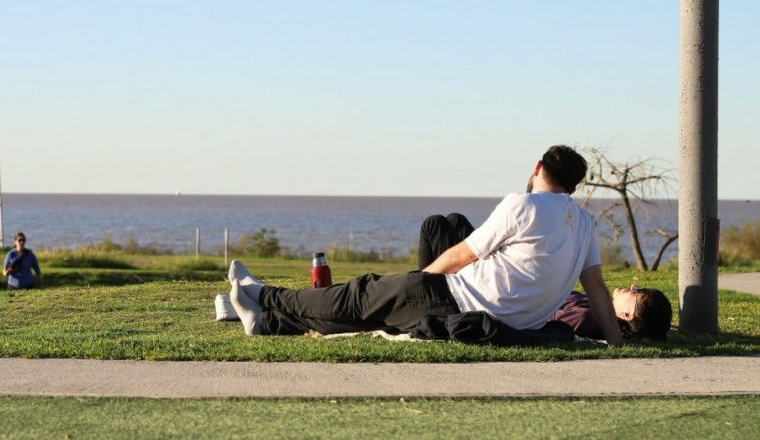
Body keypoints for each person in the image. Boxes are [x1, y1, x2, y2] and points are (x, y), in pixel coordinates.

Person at [228, 145, 625, 345]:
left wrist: (416, 281)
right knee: (370, 312)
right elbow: (596, 289)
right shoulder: (586, 223)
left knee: (358, 295)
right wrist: (616, 342)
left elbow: (461, 255)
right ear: (575, 186)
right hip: (501, 322)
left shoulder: (525, 203)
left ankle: (263, 293)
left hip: (457, 300)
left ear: (538, 169)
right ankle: (267, 322)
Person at [418, 212, 673, 341]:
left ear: (627, 315)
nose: (632, 285)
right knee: (455, 221)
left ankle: (419, 294)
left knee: (435, 225)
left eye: (637, 292)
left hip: (499, 295)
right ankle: (419, 289)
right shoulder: (596, 309)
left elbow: (541, 317)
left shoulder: (587, 317)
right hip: (511, 286)